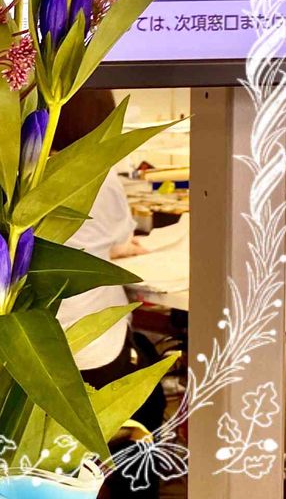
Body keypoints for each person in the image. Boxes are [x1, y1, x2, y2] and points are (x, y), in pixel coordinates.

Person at [54, 89, 166, 498]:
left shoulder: (16, 174)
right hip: (96, 352)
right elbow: (117, 238)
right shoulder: (97, 177)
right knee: (147, 405)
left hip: (34, 350)